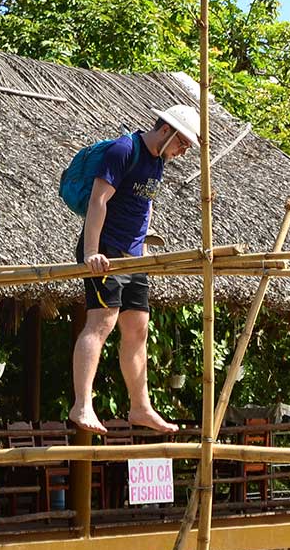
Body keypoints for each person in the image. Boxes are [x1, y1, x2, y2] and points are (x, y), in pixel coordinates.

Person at [69, 104, 200, 435]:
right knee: (102, 321)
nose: (183, 151)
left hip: (133, 255)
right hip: (106, 250)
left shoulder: (158, 162)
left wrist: (142, 245)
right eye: (183, 143)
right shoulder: (124, 149)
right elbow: (99, 200)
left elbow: (145, 204)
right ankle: (82, 404)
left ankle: (140, 407)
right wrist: (91, 252)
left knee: (138, 327)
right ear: (167, 130)